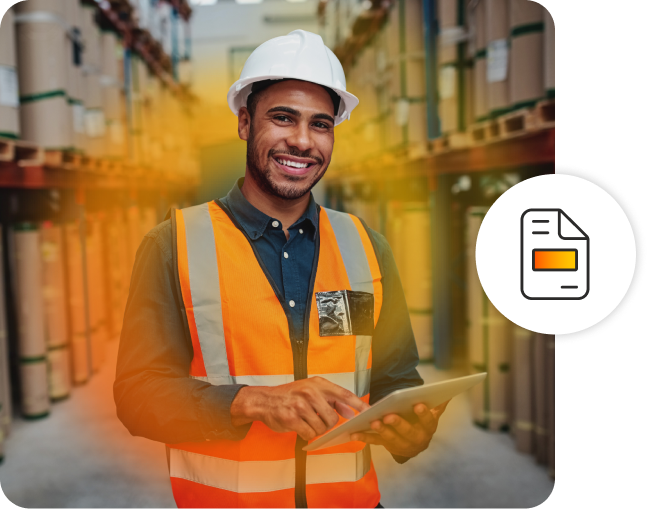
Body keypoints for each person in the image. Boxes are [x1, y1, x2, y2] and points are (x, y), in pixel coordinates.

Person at [114, 30, 449, 509]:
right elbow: (137, 397)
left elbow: (395, 380)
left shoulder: (366, 247)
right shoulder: (174, 245)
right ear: (245, 123)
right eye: (283, 118)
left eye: (321, 124)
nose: (302, 141)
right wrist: (248, 401)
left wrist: (409, 427)